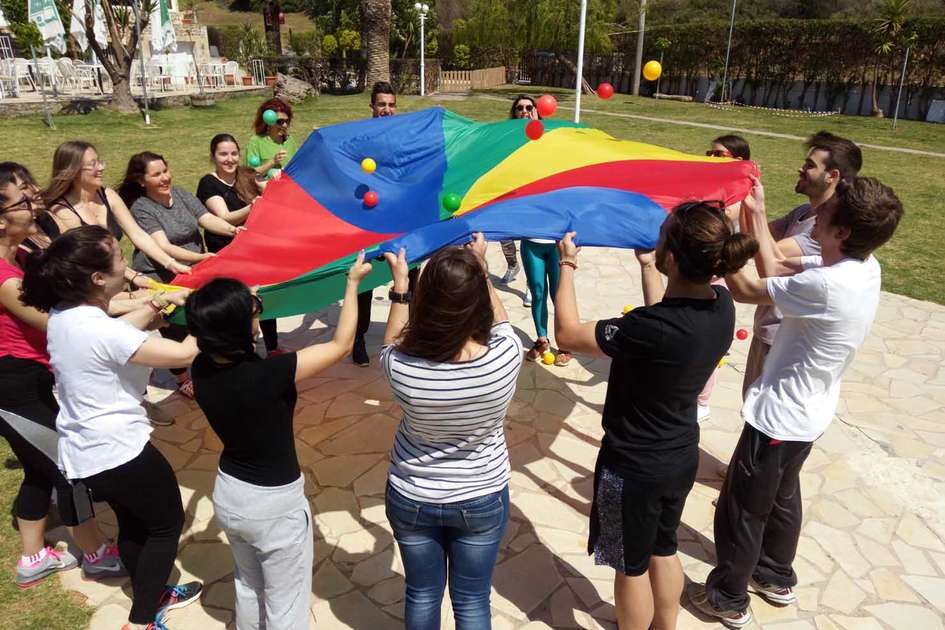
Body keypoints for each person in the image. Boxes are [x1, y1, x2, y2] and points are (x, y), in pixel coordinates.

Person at [689, 176, 903, 628]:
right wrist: (757, 209)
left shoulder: (829, 285)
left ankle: (728, 598)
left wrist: (723, 239)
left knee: (741, 509)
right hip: (810, 411)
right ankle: (775, 575)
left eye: (829, 210)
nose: (818, 210)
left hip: (778, 418)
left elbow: (748, 289)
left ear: (842, 231)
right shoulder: (862, 267)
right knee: (783, 495)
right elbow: (772, 265)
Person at [553, 205, 758, 630]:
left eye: (662, 235)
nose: (655, 238)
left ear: (676, 257)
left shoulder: (645, 328)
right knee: (664, 548)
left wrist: (568, 265)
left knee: (629, 566)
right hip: (679, 455)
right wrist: (651, 268)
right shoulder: (721, 305)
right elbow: (667, 318)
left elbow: (567, 334)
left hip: (630, 466)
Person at [20, 225, 203, 630]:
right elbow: (183, 350)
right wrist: (224, 311)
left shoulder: (66, 315)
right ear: (98, 278)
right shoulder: (99, 328)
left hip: (87, 451)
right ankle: (141, 622)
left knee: (135, 523)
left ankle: (150, 592)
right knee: (166, 524)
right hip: (119, 450)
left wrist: (159, 304)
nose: (126, 261)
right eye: (118, 257)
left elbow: (118, 331)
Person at [186, 253, 371, 629]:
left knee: (249, 585)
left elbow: (231, 341)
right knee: (287, 604)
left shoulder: (202, 368)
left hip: (230, 493)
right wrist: (352, 284)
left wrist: (239, 306)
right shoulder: (269, 375)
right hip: (274, 506)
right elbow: (340, 344)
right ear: (243, 328)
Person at [380, 234, 522, 629]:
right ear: (475, 301)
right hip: (480, 495)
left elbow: (390, 342)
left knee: (422, 594)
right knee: (472, 600)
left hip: (412, 494)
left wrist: (400, 289)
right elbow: (503, 321)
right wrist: (481, 270)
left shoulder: (401, 367)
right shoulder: (505, 358)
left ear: (426, 303)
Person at [0, 174, 124, 589]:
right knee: (67, 465)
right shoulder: (4, 277)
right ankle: (96, 555)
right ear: (1, 219)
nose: (33, 205)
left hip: (29, 377)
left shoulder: (19, 253)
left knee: (39, 466)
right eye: (22, 203)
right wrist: (126, 311)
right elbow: (58, 322)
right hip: (11, 385)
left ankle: (33, 558)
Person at [740, 131, 862, 399]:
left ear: (833, 176)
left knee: (762, 417)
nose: (801, 168)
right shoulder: (801, 213)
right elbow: (754, 240)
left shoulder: (825, 229)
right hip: (767, 329)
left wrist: (757, 211)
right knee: (749, 406)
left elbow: (771, 265)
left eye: (810, 165)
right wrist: (741, 195)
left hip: (782, 340)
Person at [121, 151, 241, 399]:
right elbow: (163, 246)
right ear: (142, 181)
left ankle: (209, 365)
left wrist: (234, 230)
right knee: (175, 328)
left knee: (201, 321)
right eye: (156, 174)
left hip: (193, 271)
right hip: (160, 276)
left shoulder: (182, 195)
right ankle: (182, 377)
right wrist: (201, 258)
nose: (165, 178)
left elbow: (207, 219)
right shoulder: (141, 208)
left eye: (165, 171)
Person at [41, 140, 191, 283]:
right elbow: (94, 257)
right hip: (92, 285)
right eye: (93, 164)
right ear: (73, 171)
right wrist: (133, 276)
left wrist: (170, 263)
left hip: (118, 278)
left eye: (99, 161)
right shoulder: (63, 212)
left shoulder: (107, 194)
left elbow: (137, 234)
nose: (101, 168)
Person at [196, 133, 283, 356]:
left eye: (234, 153)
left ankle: (273, 347)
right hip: (226, 251)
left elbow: (270, 190)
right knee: (237, 302)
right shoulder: (208, 183)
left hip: (252, 248)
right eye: (223, 154)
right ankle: (241, 349)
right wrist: (252, 207)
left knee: (261, 297)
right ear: (213, 156)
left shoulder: (244, 175)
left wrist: (278, 182)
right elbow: (223, 217)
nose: (230, 159)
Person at [353, 81, 419, 367]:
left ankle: (412, 335)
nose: (387, 110)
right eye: (382, 104)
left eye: (391, 105)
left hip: (402, 220)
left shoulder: (405, 138)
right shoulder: (358, 139)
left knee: (409, 278)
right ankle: (357, 339)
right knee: (364, 282)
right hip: (369, 221)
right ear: (372, 107)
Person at [696, 134, 752, 423]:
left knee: (709, 344)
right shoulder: (710, 187)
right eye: (710, 153)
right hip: (694, 271)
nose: (713, 159)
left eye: (720, 155)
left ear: (739, 161)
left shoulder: (741, 198)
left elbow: (732, 223)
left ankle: (702, 402)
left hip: (717, 279)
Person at [499, 95, 540, 294]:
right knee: (502, 231)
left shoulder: (545, 133)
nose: (524, 111)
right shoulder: (506, 133)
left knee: (530, 237)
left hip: (533, 191)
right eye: (519, 108)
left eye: (528, 107)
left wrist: (536, 127)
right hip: (510, 188)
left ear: (535, 110)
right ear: (514, 112)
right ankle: (513, 264)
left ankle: (531, 284)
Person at [246, 98, 300, 181]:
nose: (285, 125)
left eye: (287, 121)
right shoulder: (256, 141)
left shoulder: (290, 140)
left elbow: (298, 165)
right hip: (267, 190)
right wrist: (272, 162)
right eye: (280, 121)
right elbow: (250, 175)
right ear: (267, 121)